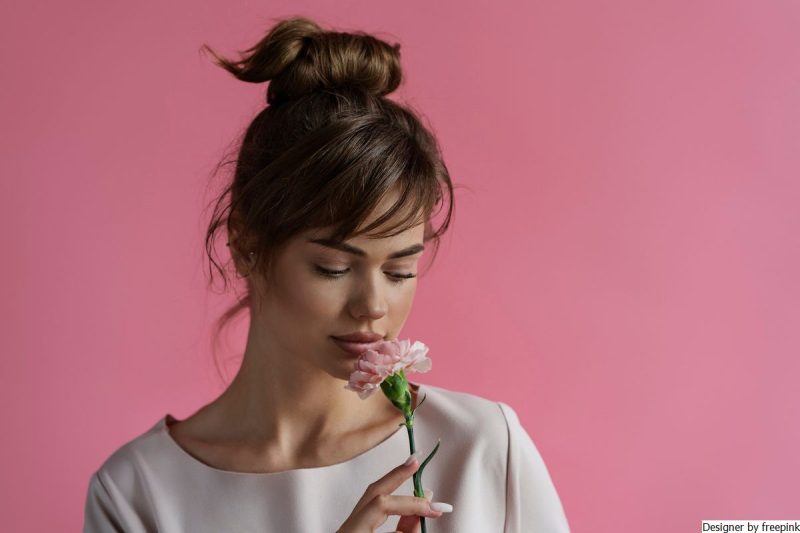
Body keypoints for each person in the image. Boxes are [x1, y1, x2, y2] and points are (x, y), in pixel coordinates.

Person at [82, 15, 571, 533]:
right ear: (246, 244)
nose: (374, 305)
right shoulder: (140, 491)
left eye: (401, 271)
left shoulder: (481, 449)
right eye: (333, 267)